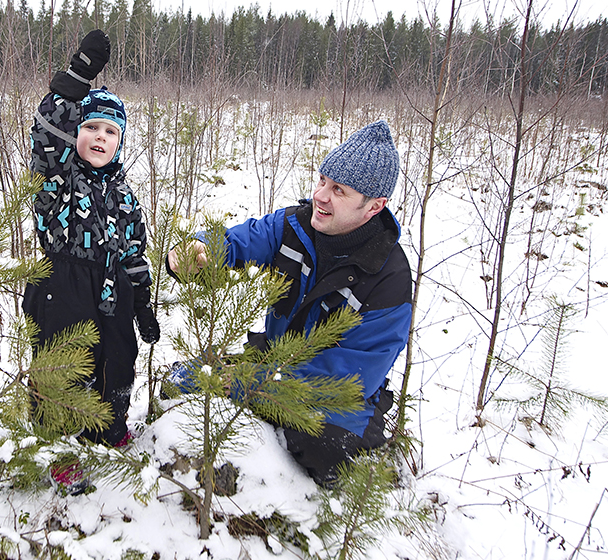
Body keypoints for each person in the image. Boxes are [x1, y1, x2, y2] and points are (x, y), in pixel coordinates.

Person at [166, 120, 412, 486]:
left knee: (321, 446)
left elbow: (345, 378)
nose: (321, 196)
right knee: (179, 383)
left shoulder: (388, 277)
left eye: (339, 190)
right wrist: (197, 252)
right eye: (323, 181)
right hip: (274, 357)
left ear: (374, 206)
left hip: (338, 394)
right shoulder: (293, 226)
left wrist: (244, 383)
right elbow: (238, 241)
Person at [23, 30, 159, 488]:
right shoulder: (57, 181)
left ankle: (110, 428)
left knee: (118, 359)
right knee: (62, 364)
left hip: (114, 289)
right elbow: (46, 138)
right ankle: (59, 446)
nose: (100, 137)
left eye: (110, 131)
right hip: (63, 286)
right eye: (91, 127)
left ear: (119, 142)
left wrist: (141, 299)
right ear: (76, 134)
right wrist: (75, 79)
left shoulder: (125, 196)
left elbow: (135, 250)